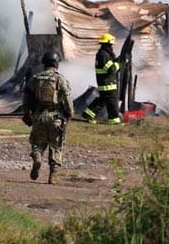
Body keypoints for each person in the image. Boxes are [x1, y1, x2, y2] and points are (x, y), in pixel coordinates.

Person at [22, 50, 74, 184]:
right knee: (56, 146)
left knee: (37, 143)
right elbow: (68, 99)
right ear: (56, 64)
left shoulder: (35, 79)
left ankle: (38, 157)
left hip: (38, 116)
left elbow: (26, 98)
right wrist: (69, 114)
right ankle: (53, 175)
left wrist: (27, 114)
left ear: (44, 63)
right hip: (56, 117)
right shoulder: (60, 79)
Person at [83, 33, 123, 125]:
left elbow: (109, 65)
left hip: (105, 83)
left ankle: (88, 114)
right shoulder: (104, 54)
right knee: (112, 102)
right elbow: (110, 69)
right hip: (107, 84)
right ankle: (114, 121)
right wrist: (119, 64)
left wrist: (117, 60)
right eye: (111, 44)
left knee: (102, 101)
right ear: (108, 44)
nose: (112, 46)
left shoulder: (103, 54)